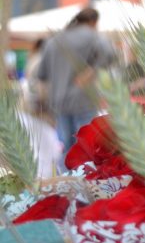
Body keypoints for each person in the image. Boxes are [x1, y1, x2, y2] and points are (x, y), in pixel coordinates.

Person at [37, 8, 115, 151]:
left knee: (66, 148)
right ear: (93, 22)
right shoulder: (92, 36)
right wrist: (93, 70)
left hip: (58, 102)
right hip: (83, 99)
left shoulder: (53, 40)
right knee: (87, 148)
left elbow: (41, 74)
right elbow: (110, 53)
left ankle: (68, 174)